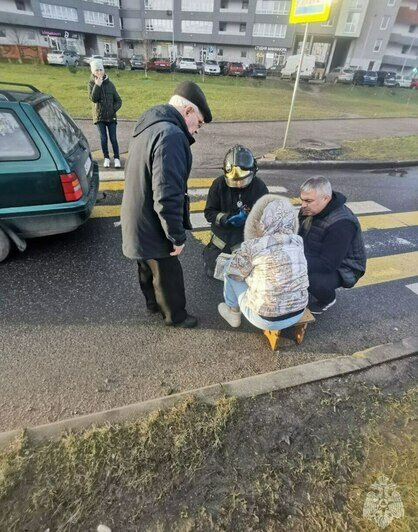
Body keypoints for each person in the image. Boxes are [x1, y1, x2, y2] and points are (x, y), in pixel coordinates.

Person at [121, 81, 212, 328]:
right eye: (199, 123)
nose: (197, 130)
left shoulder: (150, 124)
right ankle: (176, 317)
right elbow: (167, 194)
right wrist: (176, 237)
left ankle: (152, 304)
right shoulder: (171, 136)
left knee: (146, 264)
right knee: (167, 271)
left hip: (136, 216)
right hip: (153, 222)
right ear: (188, 112)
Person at [218, 195, 309, 331]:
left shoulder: (254, 246)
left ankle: (233, 313)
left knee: (229, 267)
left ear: (264, 221)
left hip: (266, 319)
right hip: (298, 312)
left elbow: (234, 274)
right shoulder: (297, 242)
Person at [298, 176, 367, 315]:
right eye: (302, 199)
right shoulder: (309, 209)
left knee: (311, 280)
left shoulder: (342, 224)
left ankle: (328, 299)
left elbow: (328, 264)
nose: (303, 205)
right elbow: (300, 234)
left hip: (345, 266)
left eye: (308, 201)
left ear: (325, 198)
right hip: (318, 252)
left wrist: (295, 263)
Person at [203, 145, 269, 278]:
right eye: (234, 181)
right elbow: (209, 212)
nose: (239, 184)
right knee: (213, 272)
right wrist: (224, 219)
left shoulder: (259, 188)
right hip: (220, 240)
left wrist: (249, 218)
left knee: (245, 276)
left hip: (244, 240)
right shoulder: (219, 185)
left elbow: (266, 216)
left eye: (243, 180)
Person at [88, 58, 122, 168]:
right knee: (103, 138)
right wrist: (97, 85)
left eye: (100, 70)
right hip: (99, 117)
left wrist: (113, 110)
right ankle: (106, 158)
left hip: (111, 116)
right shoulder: (91, 84)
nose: (99, 72)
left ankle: (117, 158)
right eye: (96, 70)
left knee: (113, 138)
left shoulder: (110, 84)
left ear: (103, 70)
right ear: (93, 71)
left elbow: (119, 100)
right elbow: (93, 99)